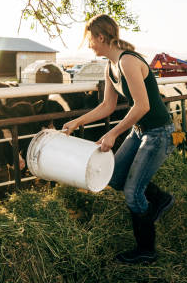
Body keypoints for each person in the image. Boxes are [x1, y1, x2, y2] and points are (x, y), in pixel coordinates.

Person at [62, 14, 176, 264]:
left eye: (90, 39)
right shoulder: (110, 66)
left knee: (133, 193)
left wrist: (112, 133)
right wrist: (76, 122)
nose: (89, 45)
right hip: (140, 132)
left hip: (159, 133)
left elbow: (143, 105)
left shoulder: (127, 62)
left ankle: (146, 250)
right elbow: (107, 106)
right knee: (114, 177)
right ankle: (160, 199)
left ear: (101, 37)